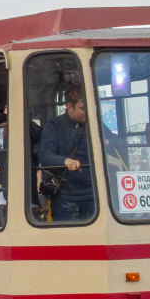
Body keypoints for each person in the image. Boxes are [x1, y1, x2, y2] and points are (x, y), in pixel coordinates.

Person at [38, 86, 94, 222]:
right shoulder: (54, 127)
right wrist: (65, 161)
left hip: (93, 195)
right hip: (65, 197)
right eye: (82, 108)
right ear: (70, 107)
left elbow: (115, 141)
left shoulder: (93, 123)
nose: (87, 112)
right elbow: (45, 156)